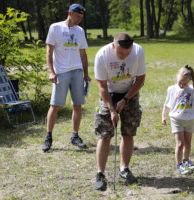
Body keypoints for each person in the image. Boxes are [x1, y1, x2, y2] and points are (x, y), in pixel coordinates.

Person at [93, 33, 146, 191]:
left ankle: (124, 169)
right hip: (108, 94)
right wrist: (111, 109)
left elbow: (140, 79)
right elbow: (102, 86)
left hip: (130, 93)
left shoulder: (138, 51)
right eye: (121, 53)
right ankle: (100, 174)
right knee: (105, 134)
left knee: (128, 132)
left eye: (127, 53)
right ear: (113, 46)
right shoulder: (102, 55)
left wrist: (126, 99)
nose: (124, 57)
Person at [42, 3, 91, 152]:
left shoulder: (80, 31)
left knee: (77, 105)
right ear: (69, 13)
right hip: (61, 72)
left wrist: (86, 74)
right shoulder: (55, 28)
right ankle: (48, 137)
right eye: (77, 16)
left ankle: (75, 136)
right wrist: (51, 71)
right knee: (55, 105)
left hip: (77, 72)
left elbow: (83, 53)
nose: (79, 19)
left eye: (81, 17)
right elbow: (49, 52)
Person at [162, 65, 194, 174]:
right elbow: (167, 104)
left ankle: (186, 160)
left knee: (188, 143)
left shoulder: (192, 90)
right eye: (180, 82)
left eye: (185, 83)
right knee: (180, 144)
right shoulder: (171, 89)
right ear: (177, 77)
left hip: (189, 120)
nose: (182, 85)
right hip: (176, 120)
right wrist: (163, 116)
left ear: (190, 80)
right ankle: (179, 165)